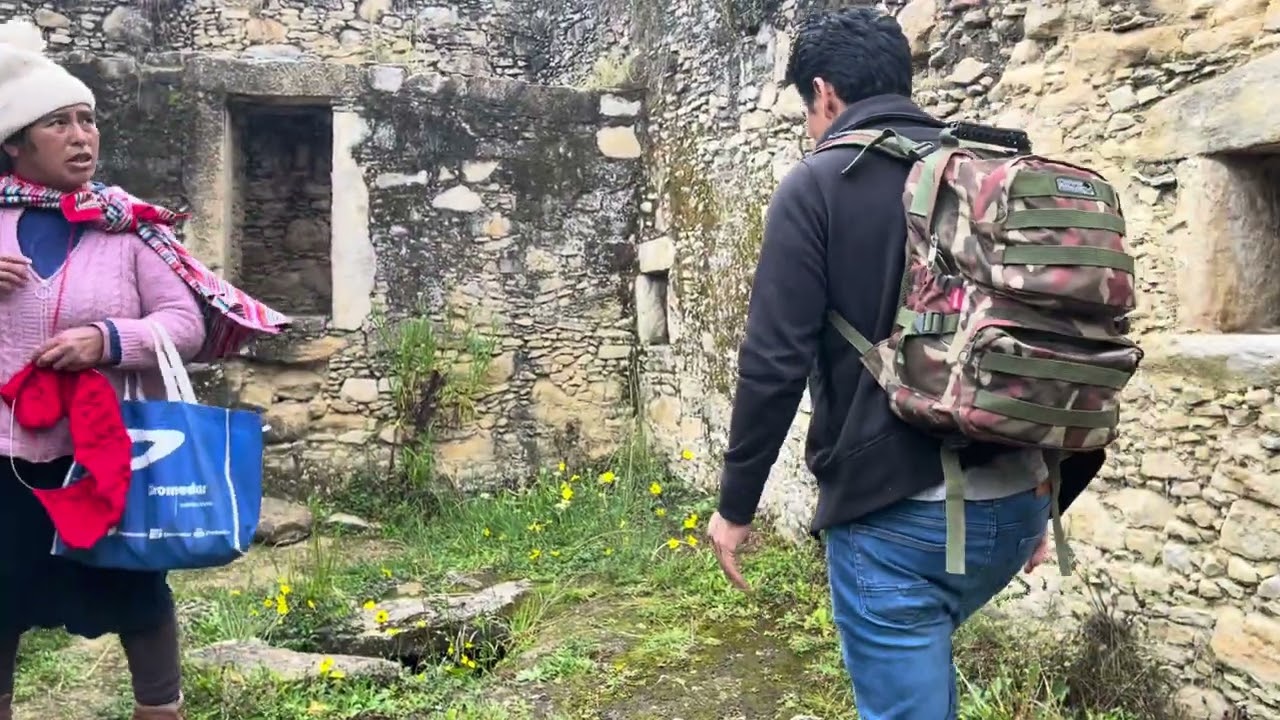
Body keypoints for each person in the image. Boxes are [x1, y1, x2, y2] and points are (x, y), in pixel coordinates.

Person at [704, 8, 1105, 719]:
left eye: (807, 111)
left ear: (824, 93)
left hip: (899, 523)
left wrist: (736, 508)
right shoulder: (985, 173)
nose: (810, 128)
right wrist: (1050, 491)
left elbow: (773, 362)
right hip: (1020, 503)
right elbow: (1067, 331)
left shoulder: (818, 184)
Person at [0, 21, 204, 720]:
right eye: (58, 123)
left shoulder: (130, 227)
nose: (81, 136)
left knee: (137, 598)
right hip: (5, 457)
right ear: (16, 143)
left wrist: (108, 339)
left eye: (87, 120)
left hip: (108, 456)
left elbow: (186, 323)